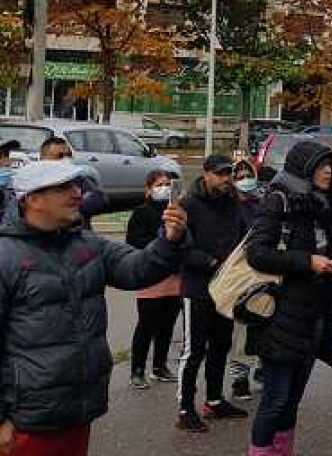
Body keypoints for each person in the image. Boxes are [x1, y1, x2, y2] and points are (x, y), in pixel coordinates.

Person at [0, 161, 187, 456]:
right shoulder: (5, 255)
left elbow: (137, 269)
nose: (77, 193)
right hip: (27, 421)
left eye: (78, 186)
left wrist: (170, 240)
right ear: (31, 199)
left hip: (79, 409)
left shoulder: (87, 243)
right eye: (64, 187)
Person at [245, 141, 332, 456]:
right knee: (275, 399)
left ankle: (282, 450)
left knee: (292, 400)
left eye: (331, 165)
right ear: (303, 168)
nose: (328, 171)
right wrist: (307, 261)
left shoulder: (328, 207)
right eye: (320, 165)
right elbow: (257, 254)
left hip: (315, 317)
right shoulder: (279, 200)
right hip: (280, 315)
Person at [176, 154, 250, 433]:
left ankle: (215, 401)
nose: (226, 178)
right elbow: (181, 248)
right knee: (193, 351)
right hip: (197, 288)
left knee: (221, 346)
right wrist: (211, 262)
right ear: (205, 174)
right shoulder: (188, 204)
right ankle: (185, 409)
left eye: (229, 173)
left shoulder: (233, 202)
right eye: (220, 174)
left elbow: (243, 236)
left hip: (226, 289)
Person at [126, 170, 183, 390]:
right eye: (160, 184)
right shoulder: (141, 213)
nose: (165, 187)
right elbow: (134, 242)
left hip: (175, 277)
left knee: (167, 326)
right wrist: (159, 245)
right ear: (148, 189)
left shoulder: (176, 212)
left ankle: (159, 366)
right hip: (150, 277)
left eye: (168, 184)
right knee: (146, 325)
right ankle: (137, 370)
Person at [228, 159, 262, 402]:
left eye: (248, 175)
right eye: (239, 176)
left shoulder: (262, 204)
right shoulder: (229, 207)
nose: (244, 179)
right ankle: (239, 378)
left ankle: (262, 372)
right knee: (240, 329)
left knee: (263, 323)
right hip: (238, 274)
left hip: (262, 272)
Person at [39, 137, 123, 227]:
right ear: (43, 158)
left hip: (77, 233)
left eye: (68, 155)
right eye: (60, 156)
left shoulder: (78, 178)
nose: (66, 159)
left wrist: (70, 208)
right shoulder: (34, 182)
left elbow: (98, 199)